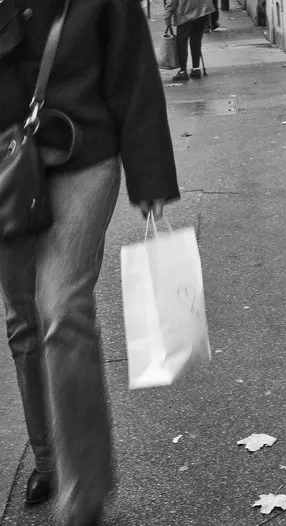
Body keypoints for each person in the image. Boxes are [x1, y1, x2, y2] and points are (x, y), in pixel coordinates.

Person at [0, 0, 179, 523]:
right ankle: (50, 459)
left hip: (84, 156)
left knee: (60, 306)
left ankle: (83, 491)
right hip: (8, 164)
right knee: (22, 321)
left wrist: (150, 176)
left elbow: (133, 71)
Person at [165, 0, 215, 81]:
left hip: (184, 11)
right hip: (201, 9)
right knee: (196, 39)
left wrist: (168, 16)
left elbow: (172, 2)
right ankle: (196, 68)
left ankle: (183, 71)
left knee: (182, 41)